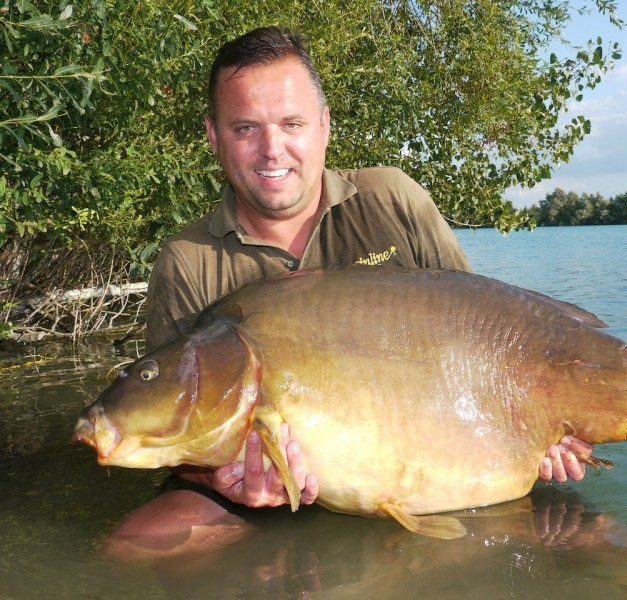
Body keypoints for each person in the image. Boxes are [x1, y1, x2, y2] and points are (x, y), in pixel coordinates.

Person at [109, 26, 593, 554]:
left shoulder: (393, 200)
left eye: (291, 123)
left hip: (441, 460)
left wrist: (549, 425)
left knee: (598, 547)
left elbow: (485, 329)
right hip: (265, 495)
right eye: (245, 127)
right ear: (213, 135)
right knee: (140, 544)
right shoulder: (189, 261)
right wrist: (221, 479)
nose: (272, 150)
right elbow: (179, 434)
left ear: (324, 126)